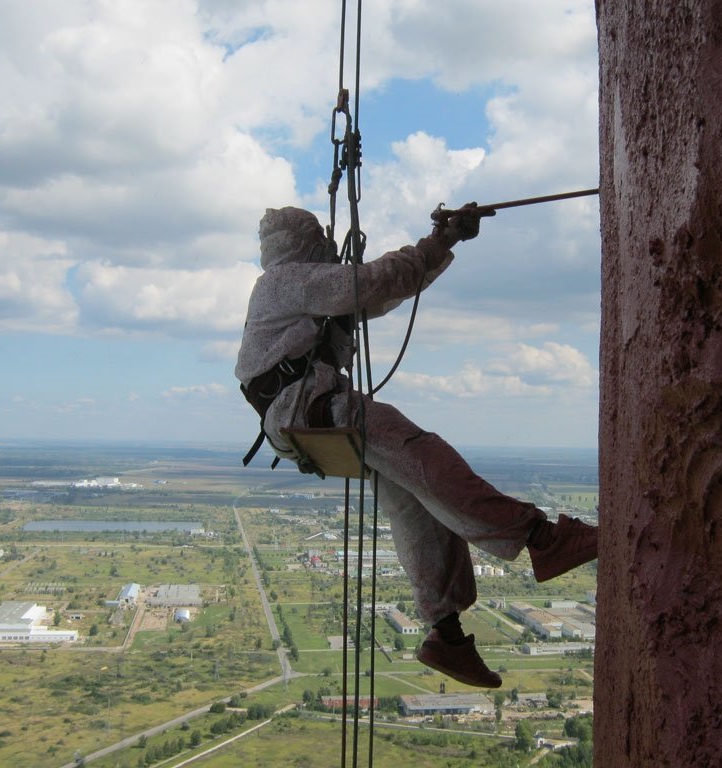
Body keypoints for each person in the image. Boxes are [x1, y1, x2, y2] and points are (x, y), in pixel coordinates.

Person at [235, 205, 598, 688]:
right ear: (304, 242)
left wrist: (439, 244)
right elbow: (375, 282)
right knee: (425, 458)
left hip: (302, 414)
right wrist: (438, 243)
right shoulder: (287, 283)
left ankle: (444, 633)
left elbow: (376, 293)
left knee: (413, 503)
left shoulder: (297, 291)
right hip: (311, 407)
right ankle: (543, 539)